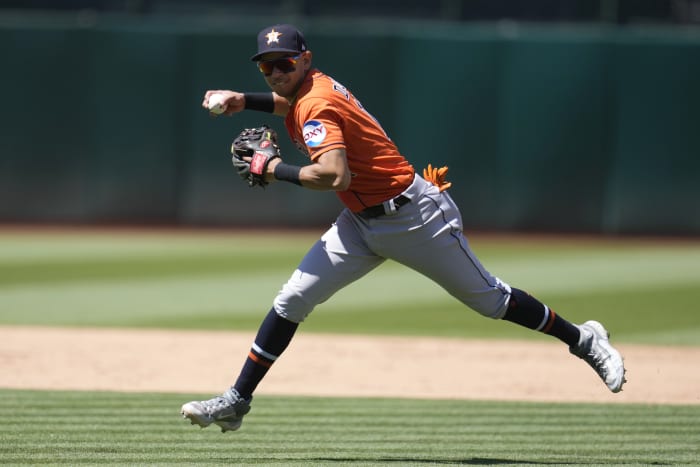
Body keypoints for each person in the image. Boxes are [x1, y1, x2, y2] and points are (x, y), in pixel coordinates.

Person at [181, 24, 626, 433]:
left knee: (492, 300)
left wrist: (274, 168)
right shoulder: (313, 88)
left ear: (305, 59)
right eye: (266, 66)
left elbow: (336, 175)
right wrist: (243, 99)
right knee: (293, 299)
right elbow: (291, 106)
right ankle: (237, 400)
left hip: (416, 218)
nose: (275, 73)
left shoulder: (316, 101)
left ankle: (584, 338)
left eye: (284, 63)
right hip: (358, 222)